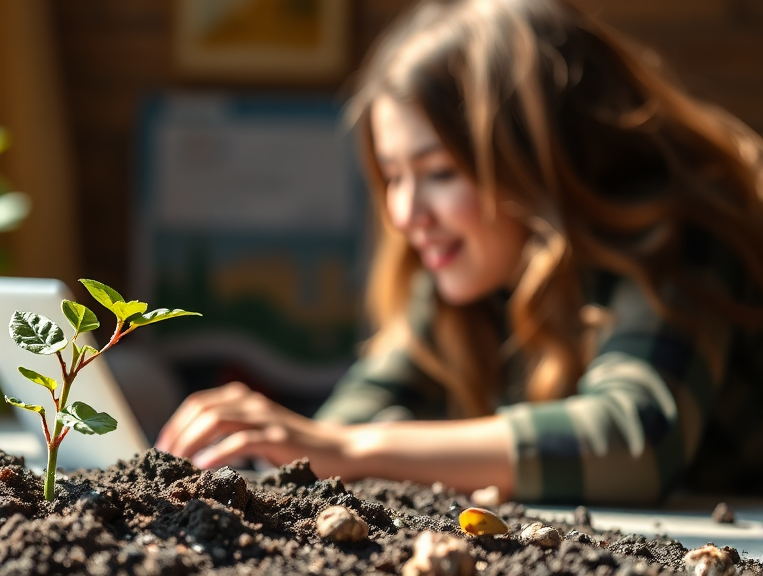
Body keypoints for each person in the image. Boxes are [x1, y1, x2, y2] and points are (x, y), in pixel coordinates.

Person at [155, 0, 763, 504]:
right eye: (392, 176)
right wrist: (306, 444)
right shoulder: (479, 267)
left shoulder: (673, 229)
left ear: (541, 164)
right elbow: (356, 412)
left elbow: (635, 438)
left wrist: (352, 450)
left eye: (440, 172)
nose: (405, 215)